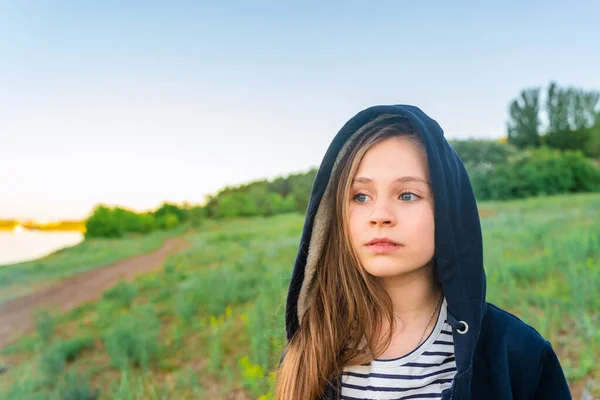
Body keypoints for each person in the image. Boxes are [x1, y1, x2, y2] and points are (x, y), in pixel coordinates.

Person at [275, 105, 571, 400]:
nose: (380, 215)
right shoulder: (310, 350)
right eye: (360, 196)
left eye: (407, 195)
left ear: (447, 211)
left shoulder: (515, 354)